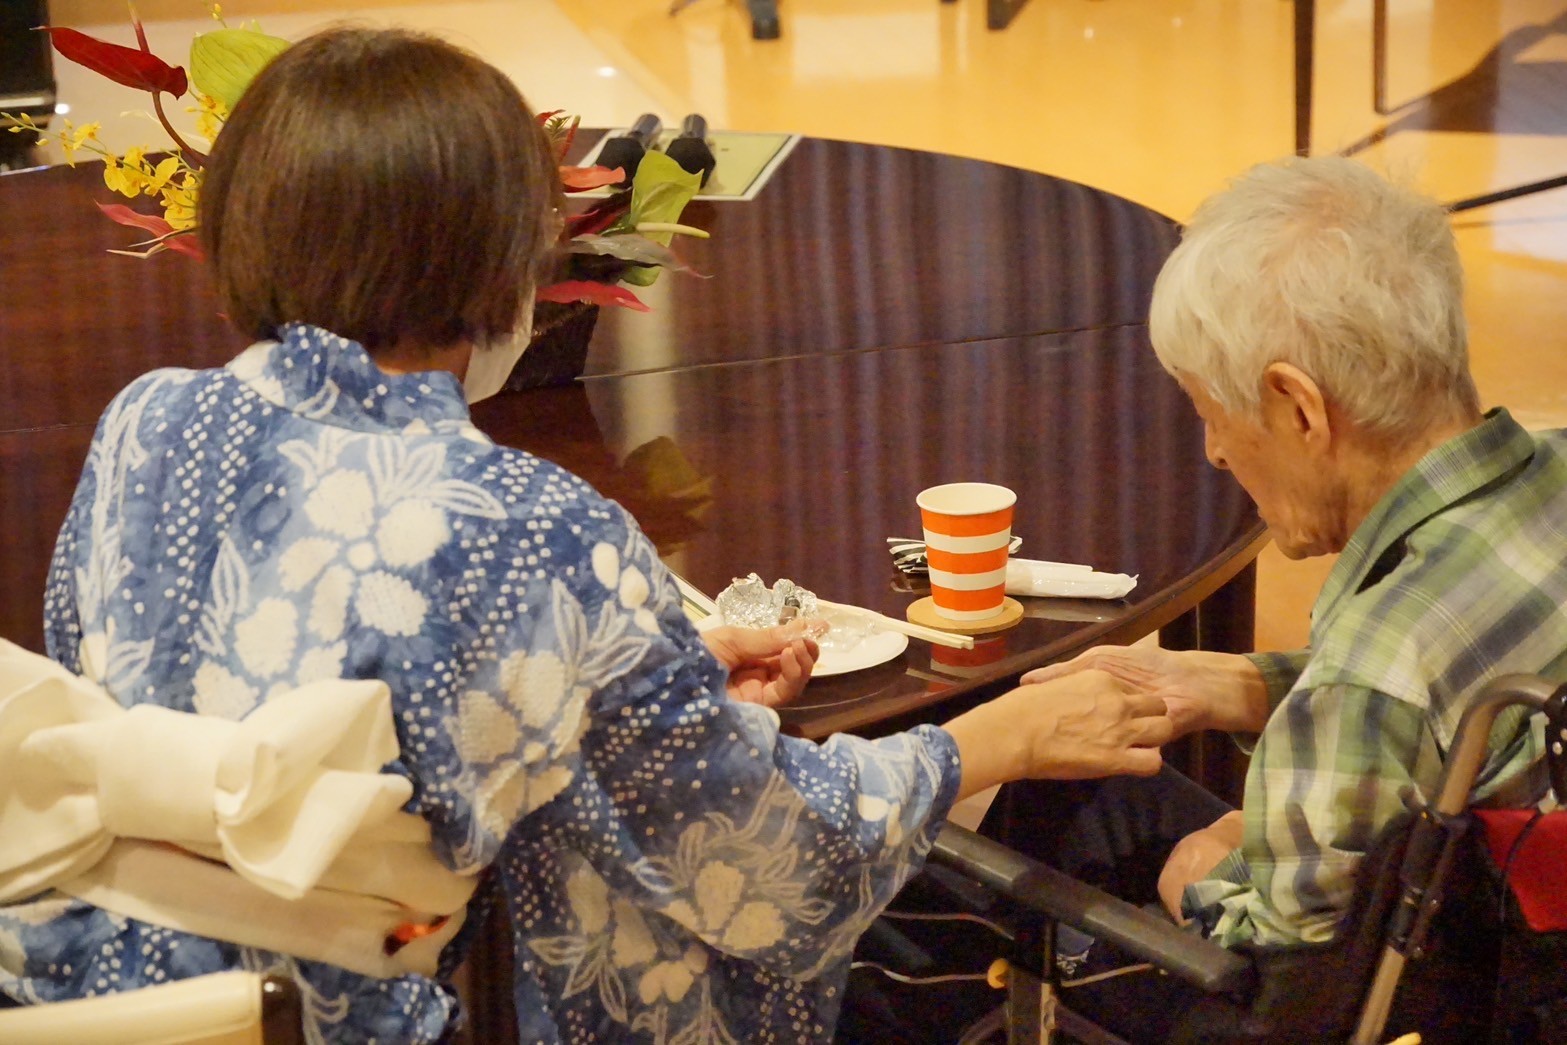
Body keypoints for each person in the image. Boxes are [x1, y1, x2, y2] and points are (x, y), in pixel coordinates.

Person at [0, 27, 1175, 1043]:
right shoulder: (529, 526)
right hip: (364, 1004)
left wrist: (634, 673)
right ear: (502, 261)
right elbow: (751, 856)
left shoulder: (150, 421)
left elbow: (191, 695)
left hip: (88, 979)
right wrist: (986, 741)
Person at [976, 155, 1567, 1039]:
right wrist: (1246, 684)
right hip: (1522, 941)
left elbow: (1288, 984)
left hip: (1345, 1003)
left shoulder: (1370, 671)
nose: (1214, 450)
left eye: (1211, 411)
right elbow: (1453, 698)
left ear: (1297, 406)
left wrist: (1202, 868)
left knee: (1013, 836)